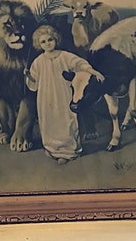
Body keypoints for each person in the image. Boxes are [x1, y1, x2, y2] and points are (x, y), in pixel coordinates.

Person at [24, 24, 104, 165]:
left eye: (50, 40)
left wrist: (93, 71)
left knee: (66, 120)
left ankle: (68, 152)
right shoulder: (38, 61)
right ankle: (52, 149)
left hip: (63, 94)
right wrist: (28, 76)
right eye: (43, 42)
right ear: (39, 44)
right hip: (45, 97)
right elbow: (33, 83)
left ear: (55, 39)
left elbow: (79, 64)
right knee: (49, 121)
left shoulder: (64, 56)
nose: (47, 43)